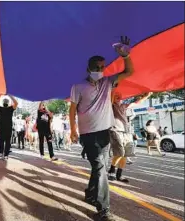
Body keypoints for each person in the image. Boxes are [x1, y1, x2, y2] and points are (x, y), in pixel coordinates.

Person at [69, 36, 134, 220]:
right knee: (100, 168)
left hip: (105, 133)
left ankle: (91, 193)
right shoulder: (78, 86)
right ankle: (103, 209)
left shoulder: (108, 82)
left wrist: (125, 55)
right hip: (88, 134)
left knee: (100, 168)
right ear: (88, 68)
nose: (100, 70)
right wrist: (73, 130)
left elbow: (129, 71)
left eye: (102, 67)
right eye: (96, 68)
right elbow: (72, 109)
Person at [108, 91, 151, 183]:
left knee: (126, 154)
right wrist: (113, 89)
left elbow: (135, 103)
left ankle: (119, 175)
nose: (118, 96)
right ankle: (111, 171)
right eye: (115, 95)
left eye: (119, 95)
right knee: (120, 152)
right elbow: (111, 98)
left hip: (126, 132)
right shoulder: (109, 106)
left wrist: (146, 96)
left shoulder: (124, 106)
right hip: (115, 130)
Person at [0, 94, 18, 160]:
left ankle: (2, 154)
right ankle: (5, 155)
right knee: (7, 141)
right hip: (8, 127)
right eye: (5, 101)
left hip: (3, 127)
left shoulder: (2, 108)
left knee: (3, 141)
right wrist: (10, 95)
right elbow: (16, 103)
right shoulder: (10, 108)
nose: (5, 102)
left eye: (5, 101)